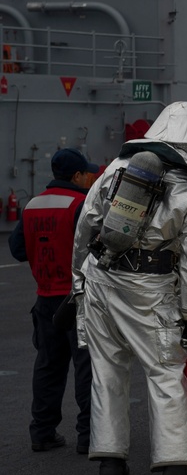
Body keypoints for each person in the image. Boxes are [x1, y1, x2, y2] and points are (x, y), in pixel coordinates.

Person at [72, 101, 187, 475]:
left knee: (107, 370)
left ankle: (109, 460)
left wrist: (77, 279)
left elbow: (86, 224)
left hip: (100, 278)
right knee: (165, 370)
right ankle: (175, 463)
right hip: (148, 288)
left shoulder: (117, 168)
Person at [8, 148, 99, 455]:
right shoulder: (81, 203)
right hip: (77, 299)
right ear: (76, 176)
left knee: (48, 367)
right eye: (86, 174)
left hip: (45, 298)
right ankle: (88, 436)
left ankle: (43, 432)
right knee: (87, 368)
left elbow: (18, 249)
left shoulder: (33, 204)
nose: (89, 178)